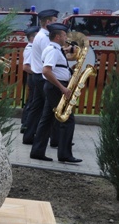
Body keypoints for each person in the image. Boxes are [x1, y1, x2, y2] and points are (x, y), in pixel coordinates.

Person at [29, 23, 82, 163]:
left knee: (47, 120)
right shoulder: (53, 50)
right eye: (64, 35)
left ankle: (37, 151)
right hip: (56, 87)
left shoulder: (54, 49)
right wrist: (62, 88)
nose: (66, 38)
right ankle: (65, 154)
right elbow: (46, 71)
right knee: (67, 119)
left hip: (53, 87)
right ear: (58, 36)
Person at [22, 9, 59, 145]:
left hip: (37, 76)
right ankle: (55, 139)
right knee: (51, 108)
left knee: (36, 108)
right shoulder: (44, 37)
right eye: (55, 21)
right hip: (42, 77)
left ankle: (29, 136)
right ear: (48, 22)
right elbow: (48, 57)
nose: (57, 23)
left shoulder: (41, 36)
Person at [20, 26, 40, 133]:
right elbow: (26, 67)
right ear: (32, 38)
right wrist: (38, 73)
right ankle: (26, 124)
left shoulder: (34, 48)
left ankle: (27, 123)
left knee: (32, 100)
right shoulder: (30, 49)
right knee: (32, 101)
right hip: (33, 77)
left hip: (34, 77)